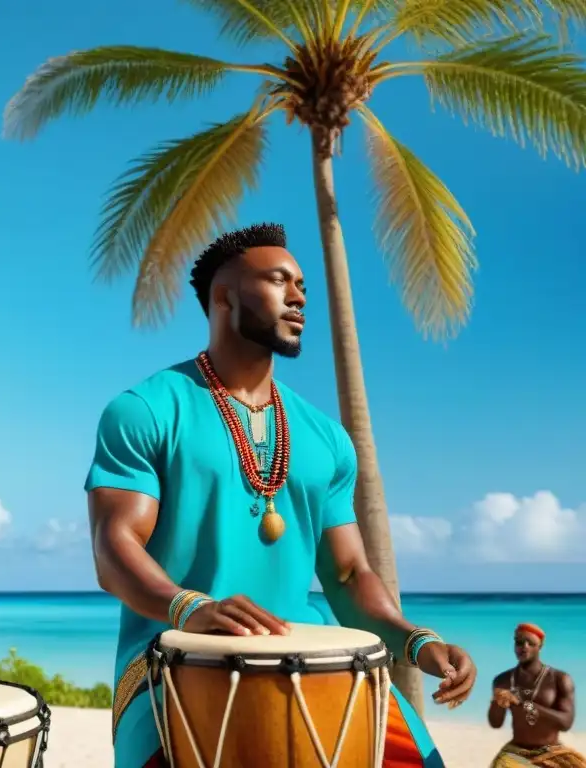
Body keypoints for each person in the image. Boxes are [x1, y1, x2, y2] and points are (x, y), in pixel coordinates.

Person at [84, 223, 477, 768]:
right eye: (278, 280)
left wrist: (415, 640)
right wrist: (190, 607)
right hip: (170, 663)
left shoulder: (327, 439)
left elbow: (346, 575)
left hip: (317, 658)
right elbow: (113, 546)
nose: (299, 297)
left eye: (303, 286)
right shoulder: (145, 410)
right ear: (224, 296)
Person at [489, 623, 582, 767]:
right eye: (519, 642)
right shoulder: (503, 680)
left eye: (531, 643)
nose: (524, 646)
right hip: (517, 751)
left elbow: (566, 723)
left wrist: (528, 706)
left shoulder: (560, 679)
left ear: (540, 646)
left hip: (553, 752)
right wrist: (497, 702)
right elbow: (496, 723)